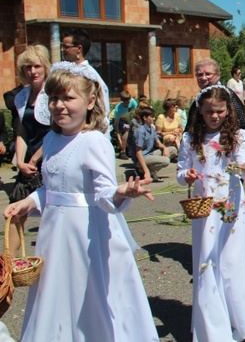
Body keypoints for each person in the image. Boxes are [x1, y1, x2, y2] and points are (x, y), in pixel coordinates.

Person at [3, 61, 158, 341]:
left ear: (89, 102)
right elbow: (53, 188)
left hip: (87, 236)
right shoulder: (51, 140)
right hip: (54, 234)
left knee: (88, 295)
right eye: (54, 99)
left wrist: (122, 192)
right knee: (56, 295)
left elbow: (102, 193)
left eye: (68, 98)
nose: (59, 105)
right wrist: (29, 202)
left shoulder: (94, 141)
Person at [176, 84, 245, 341]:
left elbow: (241, 163)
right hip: (204, 207)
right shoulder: (189, 139)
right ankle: (213, 326)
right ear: (199, 110)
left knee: (233, 261)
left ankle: (242, 321)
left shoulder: (236, 136)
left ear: (227, 111)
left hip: (231, 205)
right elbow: (180, 171)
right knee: (207, 263)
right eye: (209, 111)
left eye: (219, 111)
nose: (214, 116)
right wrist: (186, 176)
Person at [9, 45, 51, 256]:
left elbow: (56, 132)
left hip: (50, 158)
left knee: (51, 214)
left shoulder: (53, 94)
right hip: (27, 164)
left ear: (44, 67)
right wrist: (20, 162)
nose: (32, 71)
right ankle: (8, 265)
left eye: (36, 66)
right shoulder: (22, 96)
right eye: (27, 67)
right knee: (15, 213)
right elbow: (22, 131)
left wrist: (35, 160)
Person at [187, 59, 245, 143]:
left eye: (208, 74)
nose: (203, 78)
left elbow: (244, 123)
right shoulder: (200, 97)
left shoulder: (227, 95)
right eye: (200, 75)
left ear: (218, 75)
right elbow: (191, 124)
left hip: (227, 144)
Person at [61, 28, 110, 122]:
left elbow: (102, 109)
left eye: (66, 47)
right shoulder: (68, 72)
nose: (62, 49)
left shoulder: (89, 75)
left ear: (79, 48)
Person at [132, 106, 177, 182]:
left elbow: (158, 143)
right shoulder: (140, 131)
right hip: (142, 157)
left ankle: (149, 171)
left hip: (151, 154)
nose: (154, 119)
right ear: (145, 118)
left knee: (173, 150)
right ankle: (143, 170)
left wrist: (164, 148)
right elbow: (138, 153)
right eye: (151, 117)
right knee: (166, 161)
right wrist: (146, 170)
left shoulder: (152, 129)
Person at [112, 90, 138, 159]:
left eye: (128, 102)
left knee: (133, 128)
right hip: (117, 119)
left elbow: (137, 112)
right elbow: (116, 126)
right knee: (126, 129)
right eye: (125, 102)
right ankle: (122, 151)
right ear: (122, 101)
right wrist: (119, 140)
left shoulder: (133, 101)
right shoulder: (118, 109)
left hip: (125, 119)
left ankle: (130, 149)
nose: (127, 104)